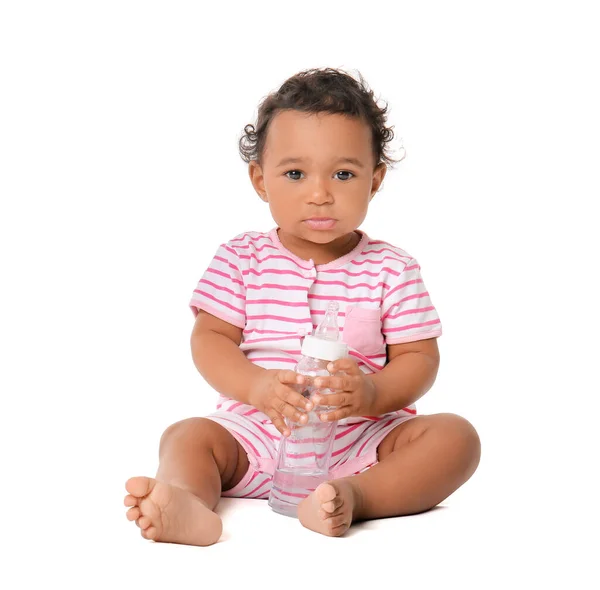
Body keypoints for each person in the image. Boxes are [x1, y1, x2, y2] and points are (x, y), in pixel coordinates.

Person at [124, 67, 481, 546]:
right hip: (254, 435)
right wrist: (257, 386)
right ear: (260, 180)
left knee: (456, 439)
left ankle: (353, 497)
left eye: (344, 173)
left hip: (363, 440)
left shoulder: (392, 269)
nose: (320, 194)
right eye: (295, 173)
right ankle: (186, 500)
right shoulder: (241, 258)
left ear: (374, 180)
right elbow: (210, 340)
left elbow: (420, 358)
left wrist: (372, 395)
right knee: (186, 436)